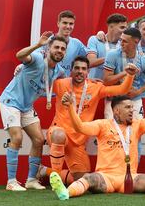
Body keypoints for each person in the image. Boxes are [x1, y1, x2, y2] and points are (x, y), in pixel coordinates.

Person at [49, 87, 145, 200]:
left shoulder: (137, 125)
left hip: (130, 179)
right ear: (116, 111)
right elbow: (80, 127)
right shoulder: (103, 125)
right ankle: (66, 193)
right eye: (128, 107)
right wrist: (70, 107)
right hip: (106, 177)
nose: (132, 110)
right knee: (89, 178)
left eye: (132, 107)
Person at [41, 56, 136, 184]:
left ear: (88, 72)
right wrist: (22, 69)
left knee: (83, 179)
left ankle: (45, 171)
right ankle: (56, 179)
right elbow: (41, 81)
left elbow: (121, 89)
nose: (80, 71)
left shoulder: (95, 87)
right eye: (77, 68)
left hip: (78, 141)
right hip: (58, 132)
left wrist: (129, 76)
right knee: (59, 134)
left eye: (84, 69)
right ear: (72, 71)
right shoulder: (61, 84)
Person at [0, 33, 67, 191]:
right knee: (17, 137)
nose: (59, 50)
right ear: (49, 48)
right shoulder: (36, 58)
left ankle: (31, 180)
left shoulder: (59, 71)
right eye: (56, 47)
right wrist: (37, 45)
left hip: (27, 107)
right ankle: (11, 181)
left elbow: (63, 84)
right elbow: (20, 55)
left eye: (63, 49)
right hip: (11, 102)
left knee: (38, 140)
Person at [104, 28, 145, 119]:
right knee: (112, 131)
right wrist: (125, 73)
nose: (121, 43)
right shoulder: (112, 55)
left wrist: (138, 91)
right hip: (114, 100)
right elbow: (106, 81)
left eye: (125, 41)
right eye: (121, 40)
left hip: (134, 100)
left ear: (135, 42)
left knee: (136, 130)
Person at [87, 13, 127, 80]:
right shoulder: (95, 40)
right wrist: (112, 57)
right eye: (122, 27)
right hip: (95, 86)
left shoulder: (124, 44)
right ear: (111, 27)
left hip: (114, 87)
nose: (125, 31)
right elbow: (90, 62)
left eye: (126, 28)